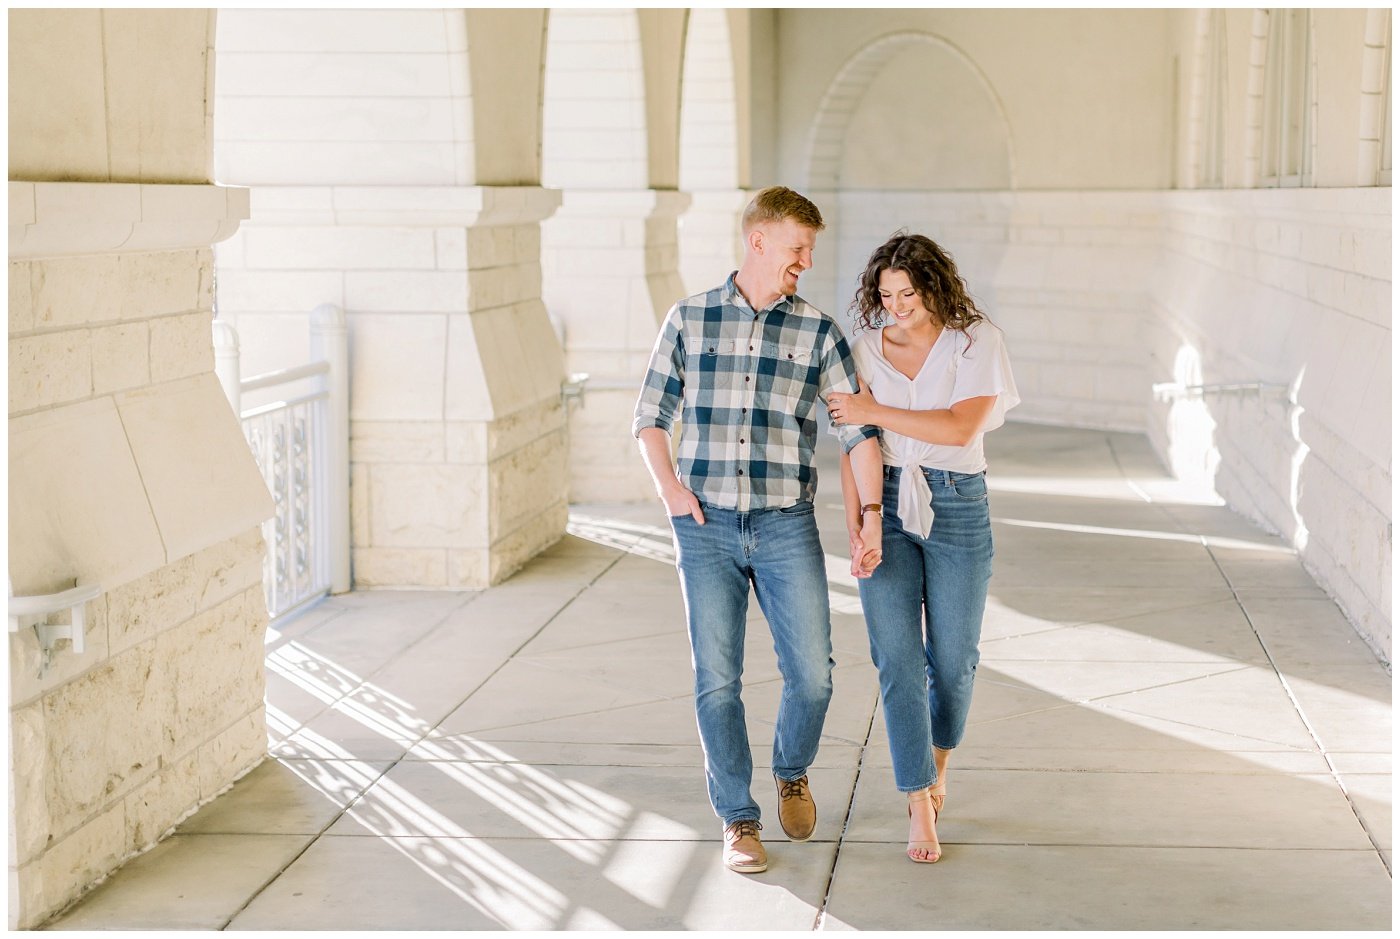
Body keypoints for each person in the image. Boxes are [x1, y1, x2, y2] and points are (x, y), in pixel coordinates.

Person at [632, 186, 887, 874]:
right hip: (705, 525)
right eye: (797, 246)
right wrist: (671, 492)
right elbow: (650, 416)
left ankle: (792, 768)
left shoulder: (819, 333)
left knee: (813, 676)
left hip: (785, 524)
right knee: (717, 678)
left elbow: (860, 434)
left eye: (810, 248)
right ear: (758, 241)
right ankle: (738, 818)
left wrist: (871, 518)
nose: (806, 259)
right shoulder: (688, 319)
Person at [828, 232, 1019, 864]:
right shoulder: (864, 349)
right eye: (886, 295)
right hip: (884, 498)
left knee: (955, 658)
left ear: (935, 285)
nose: (898, 306)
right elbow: (855, 442)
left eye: (908, 293)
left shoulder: (975, 341)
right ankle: (917, 799)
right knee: (897, 661)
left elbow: (960, 425)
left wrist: (873, 407)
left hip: (958, 501)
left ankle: (938, 763)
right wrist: (859, 523)